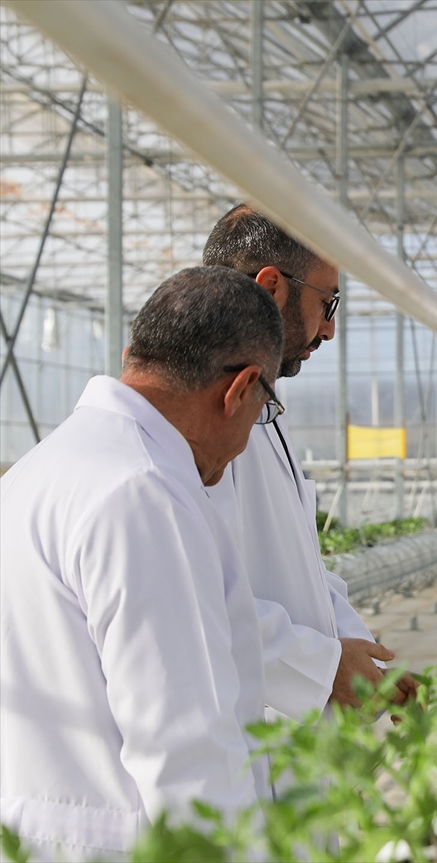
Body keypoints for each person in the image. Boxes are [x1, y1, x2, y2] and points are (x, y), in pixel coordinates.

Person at [0, 267, 283, 860]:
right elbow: (190, 758)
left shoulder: (36, 471)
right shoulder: (145, 493)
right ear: (240, 390)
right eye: (265, 408)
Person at [202, 204, 416, 718]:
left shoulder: (264, 410)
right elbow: (193, 593)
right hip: (249, 724)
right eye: (328, 303)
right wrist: (321, 666)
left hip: (294, 724)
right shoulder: (204, 420)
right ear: (272, 286)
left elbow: (305, 574)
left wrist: (365, 662)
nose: (330, 329)